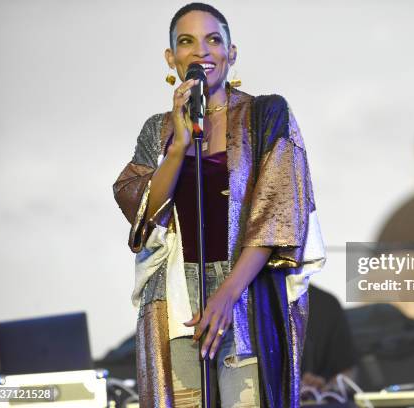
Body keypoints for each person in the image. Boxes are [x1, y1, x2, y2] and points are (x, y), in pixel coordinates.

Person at [113, 3, 324, 408]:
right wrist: (176, 144)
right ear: (171, 58)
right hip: (175, 300)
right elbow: (144, 214)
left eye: (213, 40)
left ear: (232, 52)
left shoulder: (267, 115)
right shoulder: (157, 129)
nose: (201, 52)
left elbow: (278, 215)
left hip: (244, 294)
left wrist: (226, 294)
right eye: (187, 42)